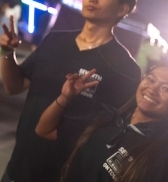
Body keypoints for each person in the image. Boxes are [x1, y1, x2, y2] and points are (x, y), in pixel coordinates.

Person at [0, 0, 142, 182]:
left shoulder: (125, 68)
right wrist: (7, 53)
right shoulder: (55, 40)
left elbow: (113, 135)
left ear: (123, 8)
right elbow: (14, 86)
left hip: (66, 174)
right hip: (19, 165)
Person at [35, 62, 168, 181]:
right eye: (150, 80)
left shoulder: (161, 155)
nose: (152, 90)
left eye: (166, 89)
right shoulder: (105, 118)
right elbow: (44, 130)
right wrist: (65, 97)